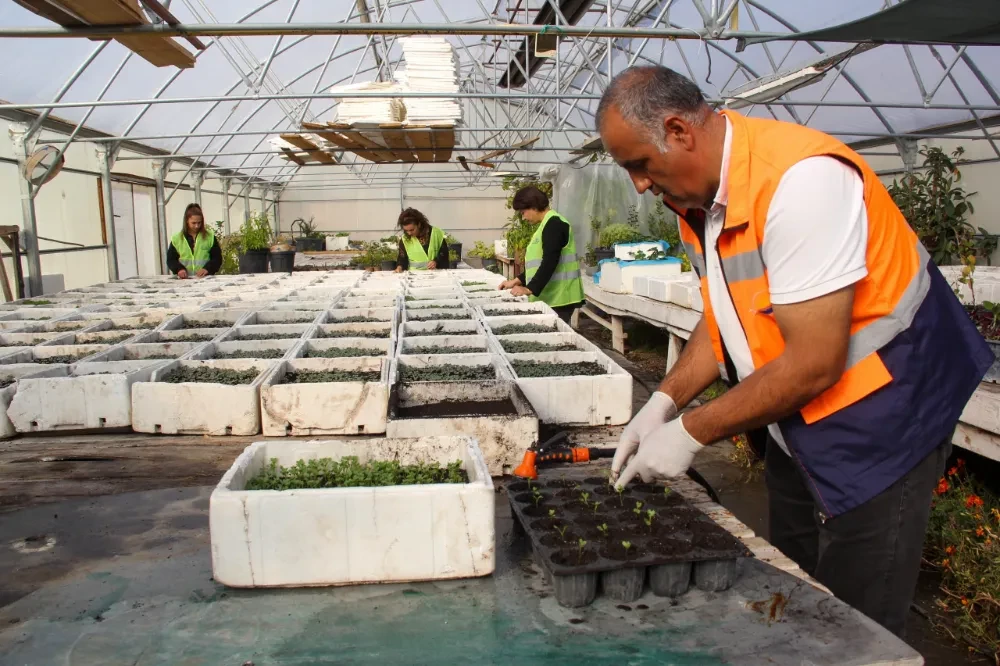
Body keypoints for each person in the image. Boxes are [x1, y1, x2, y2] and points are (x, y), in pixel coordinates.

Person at [597, 65, 991, 637]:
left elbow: (814, 361)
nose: (637, 183)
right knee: (790, 590)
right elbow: (726, 316)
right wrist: (663, 401)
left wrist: (692, 431)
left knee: (857, 623)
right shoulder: (698, 204)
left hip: (885, 416)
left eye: (638, 164)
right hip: (797, 416)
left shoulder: (801, 183)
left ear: (680, 131)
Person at [498, 186, 584, 322]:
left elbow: (550, 261)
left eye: (523, 212)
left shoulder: (554, 224)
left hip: (560, 298)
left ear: (533, 206)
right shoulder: (547, 224)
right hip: (553, 297)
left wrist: (528, 289)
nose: (524, 217)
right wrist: (516, 280)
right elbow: (538, 264)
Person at [167, 203, 221, 279]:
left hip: (206, 279)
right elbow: (171, 260)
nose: (197, 226)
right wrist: (179, 269)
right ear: (186, 221)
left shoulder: (210, 237)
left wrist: (207, 268)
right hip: (184, 281)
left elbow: (217, 258)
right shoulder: (177, 238)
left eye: (199, 222)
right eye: (193, 223)